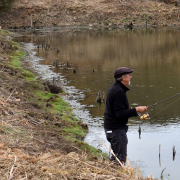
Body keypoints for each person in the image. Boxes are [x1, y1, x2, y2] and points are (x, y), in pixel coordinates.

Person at [104, 67, 147, 165]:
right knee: (120, 160)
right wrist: (136, 110)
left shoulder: (115, 88)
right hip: (116, 130)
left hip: (112, 128)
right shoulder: (119, 91)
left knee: (116, 157)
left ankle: (113, 172)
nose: (131, 77)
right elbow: (120, 114)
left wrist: (136, 111)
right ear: (123, 77)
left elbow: (118, 112)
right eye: (129, 75)